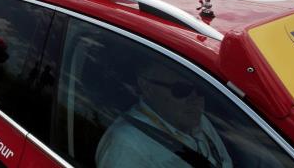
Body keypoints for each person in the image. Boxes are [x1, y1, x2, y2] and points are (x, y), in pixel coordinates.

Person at [95, 62, 233, 167]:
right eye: (181, 90)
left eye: (200, 88)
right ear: (147, 87)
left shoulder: (198, 119)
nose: (195, 99)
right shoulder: (128, 148)